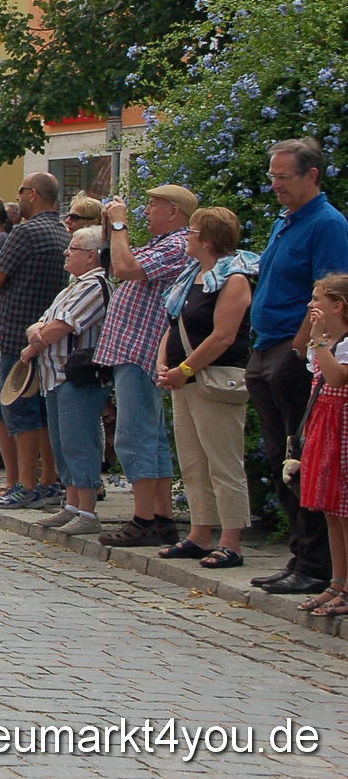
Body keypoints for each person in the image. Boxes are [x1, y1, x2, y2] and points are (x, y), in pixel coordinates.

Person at [246, 139, 348, 594]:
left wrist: (302, 348)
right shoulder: (286, 222)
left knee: (301, 460)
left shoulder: (327, 224)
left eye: (283, 176)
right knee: (281, 459)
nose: (275, 184)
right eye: (272, 175)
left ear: (312, 176)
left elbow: (329, 297)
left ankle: (317, 565)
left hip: (293, 353)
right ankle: (300, 555)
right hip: (268, 347)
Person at [94, 184, 200, 547]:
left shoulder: (177, 245)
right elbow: (115, 262)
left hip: (143, 352)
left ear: (173, 211)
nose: (147, 211)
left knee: (134, 436)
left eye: (154, 205)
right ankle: (160, 517)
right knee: (150, 438)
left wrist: (121, 226)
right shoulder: (163, 244)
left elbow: (126, 268)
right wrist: (112, 230)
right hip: (137, 352)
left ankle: (143, 519)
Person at [153, 206, 256, 569]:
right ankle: (200, 532)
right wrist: (164, 362)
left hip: (215, 380)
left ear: (209, 240)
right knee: (194, 462)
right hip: (185, 381)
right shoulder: (190, 276)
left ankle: (232, 539)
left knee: (223, 462)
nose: (187, 238)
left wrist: (185, 368)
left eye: (193, 232)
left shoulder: (235, 279)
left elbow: (224, 335)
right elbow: (174, 322)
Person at [0, 173, 70, 509]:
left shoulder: (25, 231)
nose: (17, 198)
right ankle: (47, 479)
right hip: (44, 334)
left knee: (16, 411)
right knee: (38, 412)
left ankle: (25, 484)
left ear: (32, 194)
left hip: (17, 334)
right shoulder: (61, 231)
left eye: (20, 192)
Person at [22, 225, 114, 534]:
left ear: (90, 256)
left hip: (77, 377)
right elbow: (42, 323)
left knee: (79, 442)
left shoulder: (94, 285)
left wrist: (35, 339)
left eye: (72, 249)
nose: (66, 252)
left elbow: (60, 326)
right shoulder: (72, 285)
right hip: (55, 376)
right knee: (62, 444)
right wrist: (37, 334)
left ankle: (87, 511)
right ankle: (71, 504)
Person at [295, 273, 348, 616]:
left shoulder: (340, 344)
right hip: (324, 423)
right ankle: (337, 581)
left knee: (345, 511)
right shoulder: (328, 339)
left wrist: (318, 342)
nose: (311, 305)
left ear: (337, 306)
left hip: (343, 426)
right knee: (330, 509)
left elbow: (336, 377)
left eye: (317, 299)